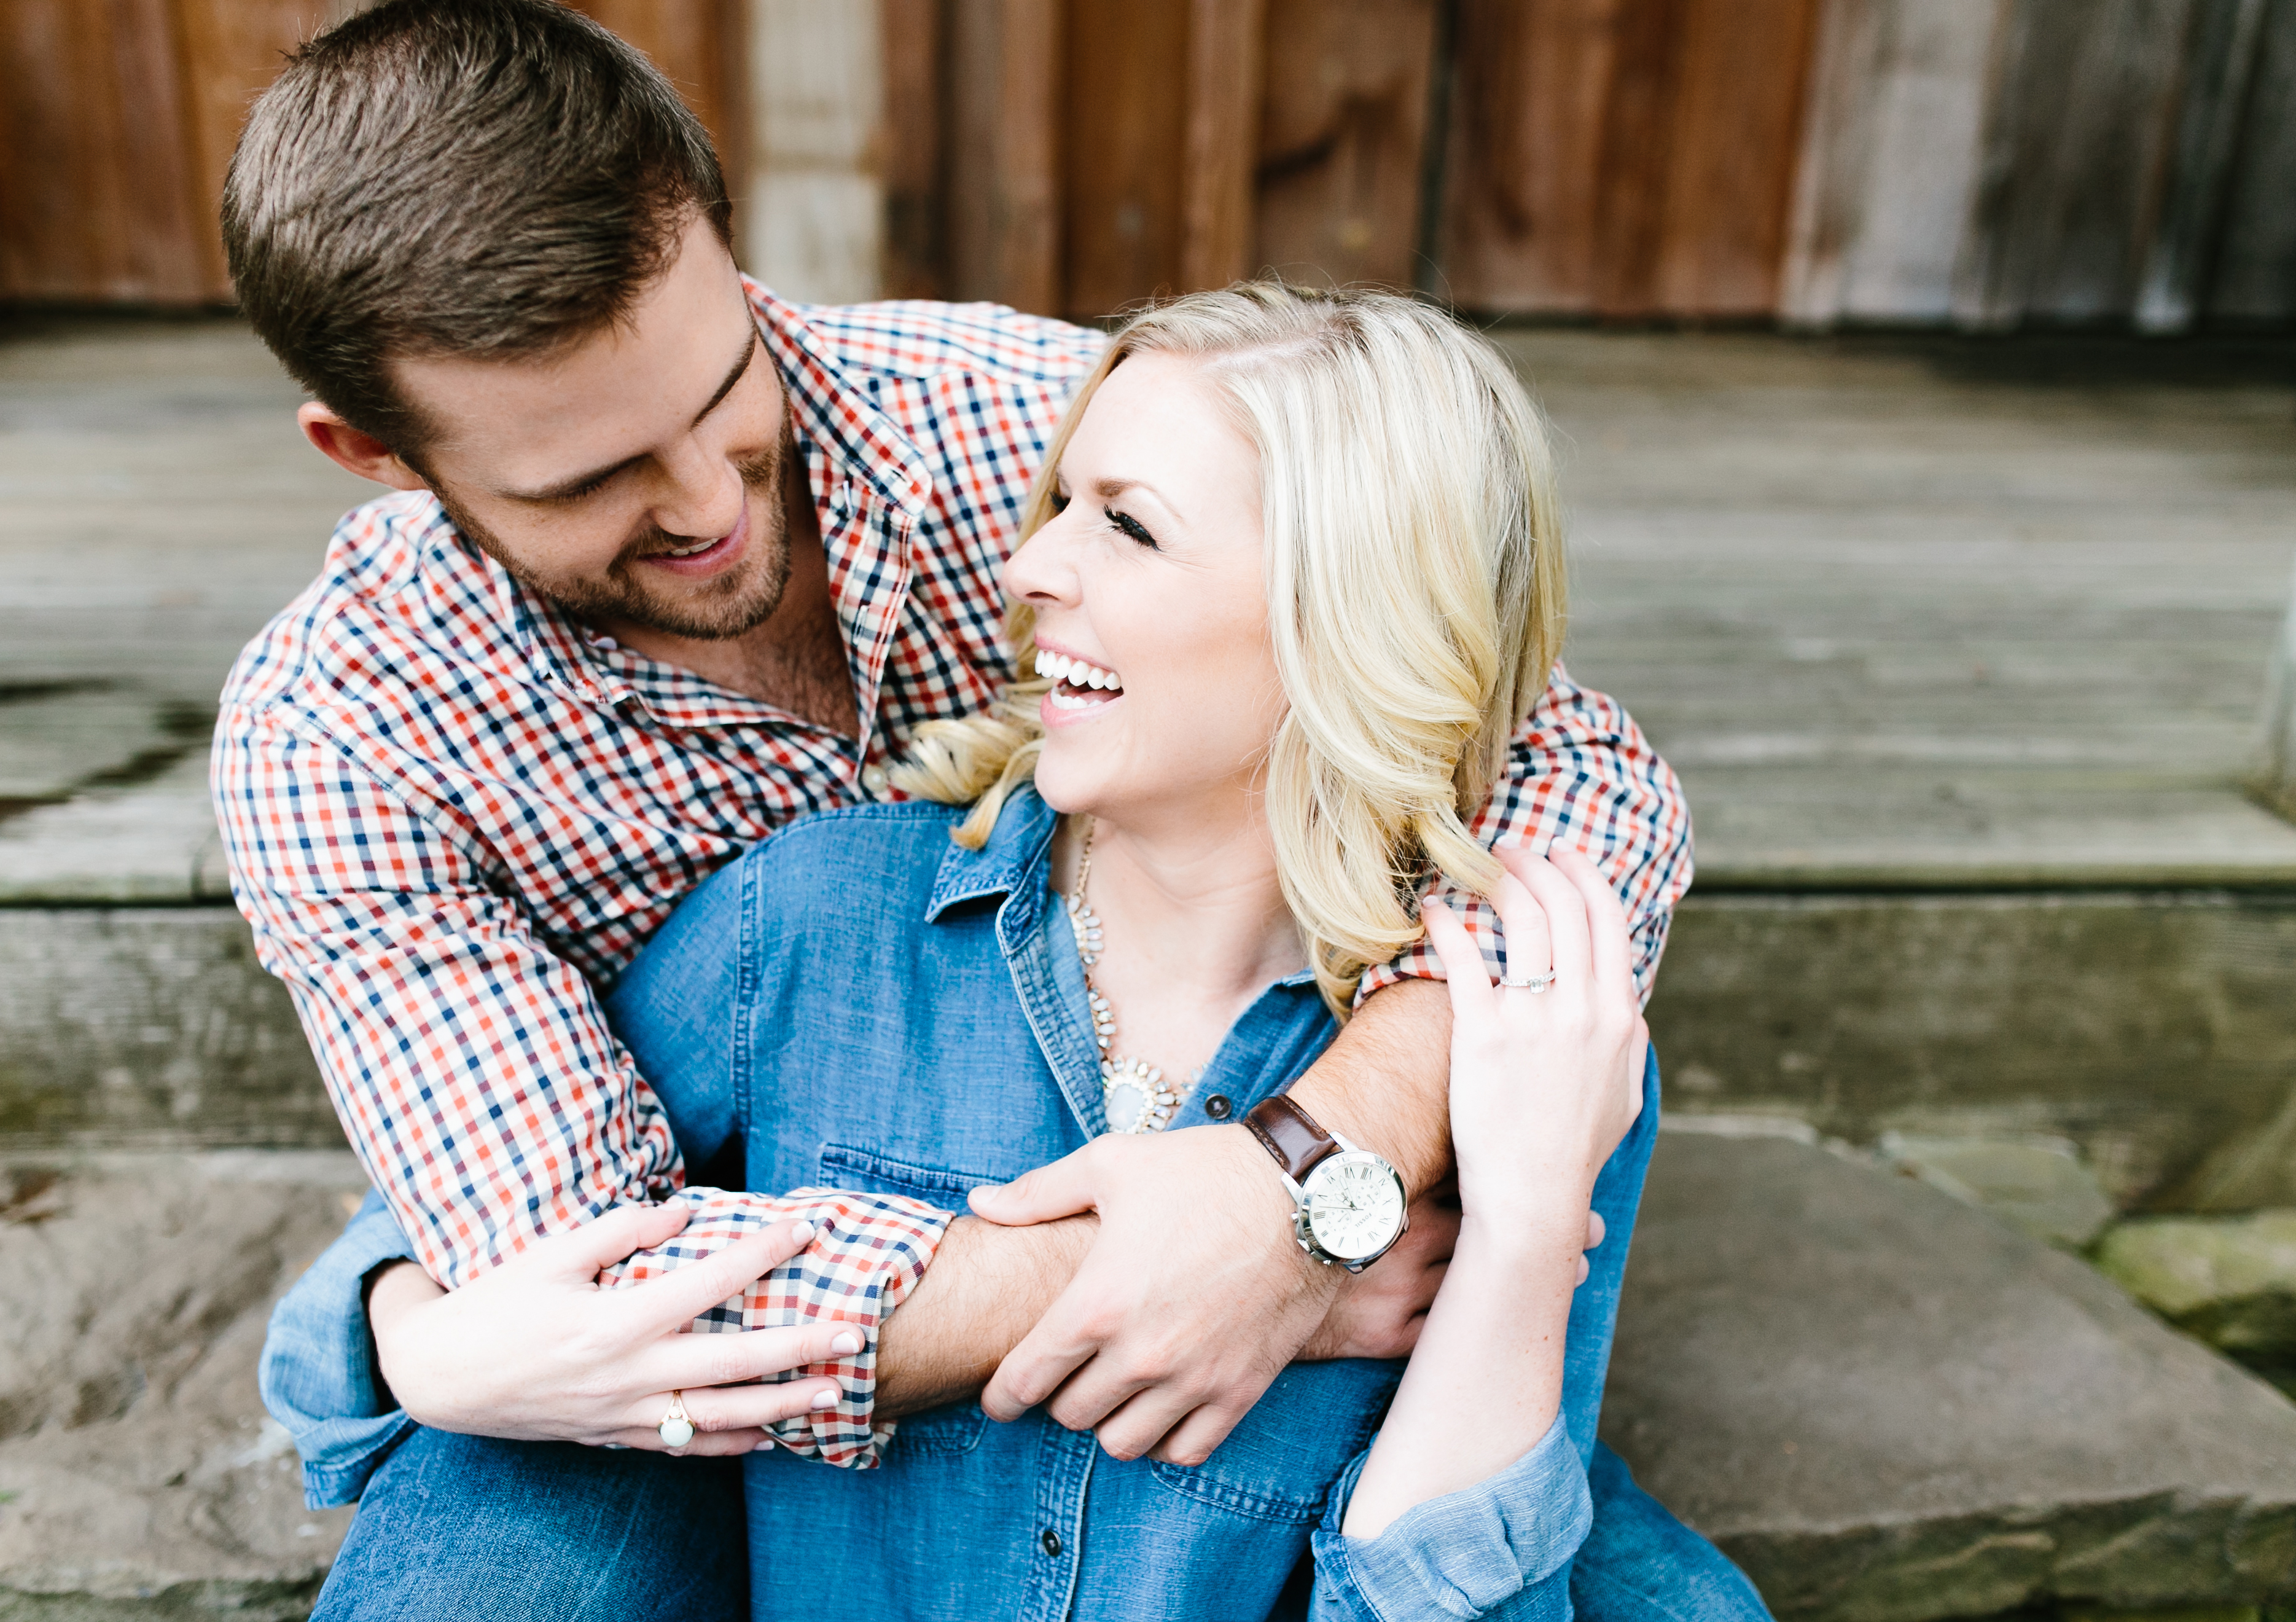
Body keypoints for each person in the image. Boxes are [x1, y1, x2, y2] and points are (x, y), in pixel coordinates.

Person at [209, 1, 1749, 1615]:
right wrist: (1175, 1264)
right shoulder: (342, 732)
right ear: (374, 451)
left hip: (1249, 1251)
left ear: (729, 260)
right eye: (588, 480)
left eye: (721, 390)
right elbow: (599, 1288)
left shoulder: (1015, 417)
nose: (713, 506)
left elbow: (1576, 769)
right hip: (697, 1380)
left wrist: (1312, 1170)